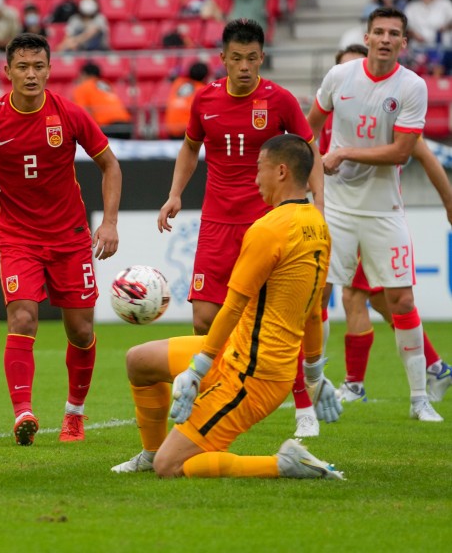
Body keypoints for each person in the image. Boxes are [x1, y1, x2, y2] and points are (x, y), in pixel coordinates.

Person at [111, 134, 344, 480]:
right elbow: (313, 308)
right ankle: (151, 451)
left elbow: (232, 307)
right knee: (139, 361)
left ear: (281, 171)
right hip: (240, 352)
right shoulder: (317, 226)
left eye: (259, 170)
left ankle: (284, 464)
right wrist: (313, 373)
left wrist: (196, 370)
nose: (255, 179)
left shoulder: (268, 230)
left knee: (171, 467)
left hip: (252, 376)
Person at [0, 33, 123, 446]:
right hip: (18, 237)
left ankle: (75, 415)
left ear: (49, 69)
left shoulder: (68, 114)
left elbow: (110, 165)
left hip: (70, 236)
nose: (31, 74)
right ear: (6, 71)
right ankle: (23, 412)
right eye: (23, 67)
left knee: (80, 331)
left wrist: (110, 222)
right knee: (22, 318)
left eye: (38, 66)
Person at [157, 18, 324, 437]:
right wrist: (175, 194)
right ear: (223, 60)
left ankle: (304, 404)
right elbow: (190, 148)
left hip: (268, 224)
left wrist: (316, 200)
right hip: (216, 223)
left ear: (262, 58)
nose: (245, 66)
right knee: (203, 319)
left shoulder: (280, 100)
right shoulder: (204, 100)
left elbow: (309, 151)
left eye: (252, 58)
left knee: (281, 320)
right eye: (237, 59)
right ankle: (216, 391)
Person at [307, 7, 443, 421]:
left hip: (384, 209)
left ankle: (420, 398)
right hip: (337, 209)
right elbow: (308, 129)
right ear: (366, 37)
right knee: (318, 298)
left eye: (394, 34)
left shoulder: (411, 86)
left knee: (401, 299)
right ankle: (313, 388)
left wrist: (343, 151)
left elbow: (403, 151)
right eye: (379, 32)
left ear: (404, 43)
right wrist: (314, 184)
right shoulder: (339, 78)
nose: (385, 39)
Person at [71, 61, 132, 138]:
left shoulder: (82, 87)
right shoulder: (107, 85)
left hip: (107, 127)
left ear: (84, 74)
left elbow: (81, 112)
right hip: (126, 125)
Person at [404, 0, 452, 75]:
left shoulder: (445, 3)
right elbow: (406, 26)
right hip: (418, 47)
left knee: (441, 61)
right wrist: (414, 34)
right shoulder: (411, 6)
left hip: (442, 47)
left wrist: (445, 27)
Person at [162, 61, 208, 139]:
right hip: (186, 131)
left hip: (170, 129)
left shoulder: (178, 82)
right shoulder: (202, 89)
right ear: (204, 77)